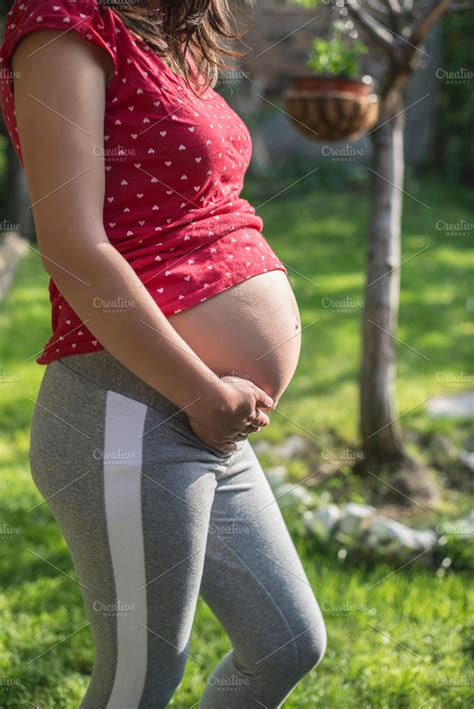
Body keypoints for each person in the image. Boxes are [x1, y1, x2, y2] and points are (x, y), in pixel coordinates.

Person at [1, 1, 326, 706]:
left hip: (202, 414)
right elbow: (72, 244)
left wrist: (213, 399)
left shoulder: (167, 35)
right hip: (128, 411)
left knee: (285, 643)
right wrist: (202, 394)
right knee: (137, 682)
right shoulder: (65, 23)